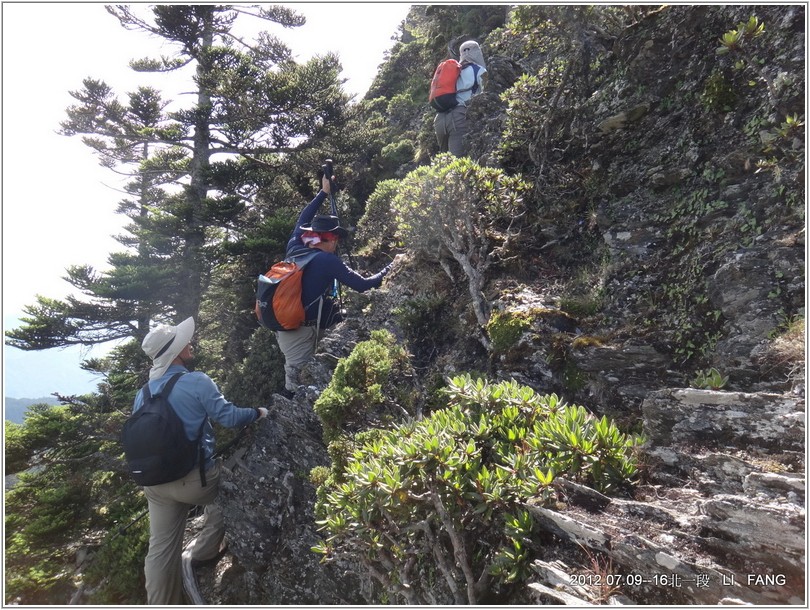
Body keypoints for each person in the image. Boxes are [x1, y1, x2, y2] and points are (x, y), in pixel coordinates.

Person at [133, 316, 268, 605]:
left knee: (159, 549)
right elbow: (229, 417)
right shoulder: (196, 381)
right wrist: (258, 413)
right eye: (185, 341)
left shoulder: (142, 394)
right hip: (197, 481)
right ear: (177, 352)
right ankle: (205, 553)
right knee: (230, 489)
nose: (190, 342)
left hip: (155, 484)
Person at [275, 173, 400, 396]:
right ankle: (288, 423)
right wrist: (392, 267)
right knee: (296, 387)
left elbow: (302, 219)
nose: (337, 244)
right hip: (297, 332)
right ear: (330, 239)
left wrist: (323, 192)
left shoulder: (296, 245)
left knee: (305, 376)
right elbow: (363, 286)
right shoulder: (326, 260)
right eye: (337, 239)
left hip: (288, 324)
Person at [433, 40, 488, 157]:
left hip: (439, 119)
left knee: (443, 162)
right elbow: (487, 94)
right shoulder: (479, 70)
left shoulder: (453, 70)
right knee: (457, 163)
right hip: (458, 117)